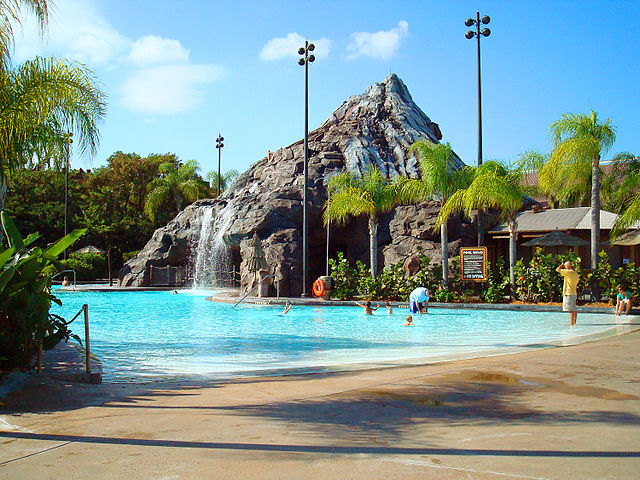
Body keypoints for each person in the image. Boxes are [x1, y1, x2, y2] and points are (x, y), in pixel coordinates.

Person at [556, 261, 580, 325]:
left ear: (567, 267)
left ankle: (571, 323)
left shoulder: (568, 272)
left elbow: (557, 270)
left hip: (568, 292)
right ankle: (574, 322)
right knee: (574, 308)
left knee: (570, 309)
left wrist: (561, 265)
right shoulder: (575, 273)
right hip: (574, 292)